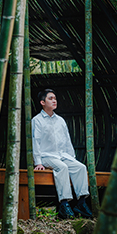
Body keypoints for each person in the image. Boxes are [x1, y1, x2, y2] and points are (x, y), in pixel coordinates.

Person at [32, 89, 94, 220]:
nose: (54, 100)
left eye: (55, 98)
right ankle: (64, 204)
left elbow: (67, 141)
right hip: (46, 156)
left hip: (62, 155)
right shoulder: (36, 120)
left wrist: (72, 158)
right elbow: (35, 141)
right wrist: (38, 162)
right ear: (42, 102)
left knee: (80, 167)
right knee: (62, 167)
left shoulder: (60, 120)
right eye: (50, 98)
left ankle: (81, 203)